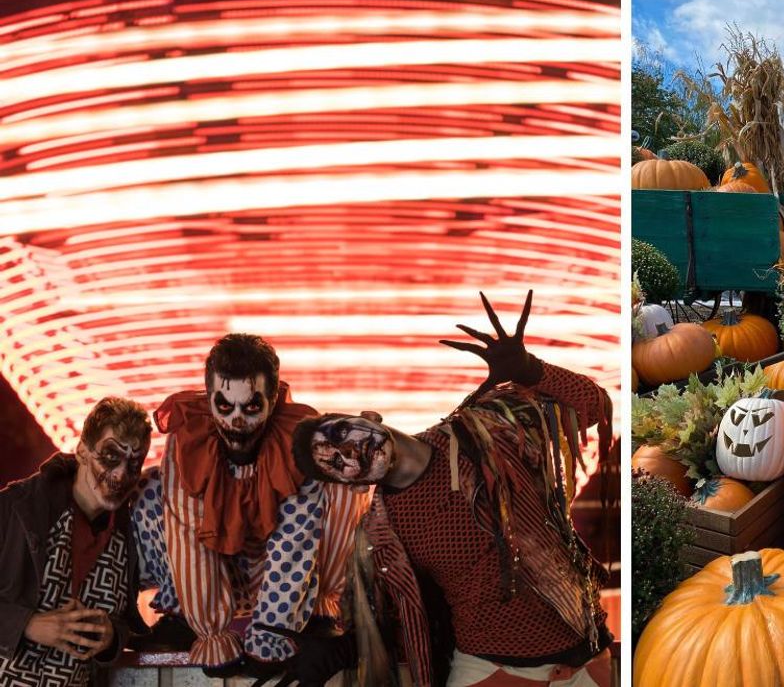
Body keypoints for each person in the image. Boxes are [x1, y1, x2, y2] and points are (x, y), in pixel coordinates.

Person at [288, 291, 615, 687]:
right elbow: (399, 615)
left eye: (342, 433)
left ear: (368, 417)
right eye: (337, 463)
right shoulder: (384, 530)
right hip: (492, 672)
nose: (350, 451)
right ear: (349, 482)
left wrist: (531, 370)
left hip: (589, 660)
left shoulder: (486, 428)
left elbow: (595, 408)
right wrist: (342, 648)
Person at [128, 333, 371, 676]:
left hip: (292, 580)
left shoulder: (298, 442)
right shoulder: (189, 441)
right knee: (149, 490)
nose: (236, 420)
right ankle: (181, 616)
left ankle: (317, 614)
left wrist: (271, 635)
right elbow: (187, 541)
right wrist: (211, 631)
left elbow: (295, 546)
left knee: (344, 486)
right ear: (209, 398)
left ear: (274, 399)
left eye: (252, 406)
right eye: (224, 406)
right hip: (211, 574)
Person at [0, 396, 151, 687]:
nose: (121, 474)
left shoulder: (130, 535)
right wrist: (27, 624)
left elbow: (125, 622)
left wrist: (111, 637)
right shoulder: (15, 510)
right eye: (110, 456)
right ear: (82, 450)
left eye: (134, 464)